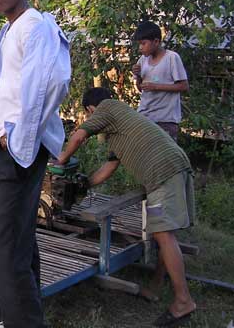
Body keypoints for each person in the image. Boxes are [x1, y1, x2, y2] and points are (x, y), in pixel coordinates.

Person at [55, 87, 196, 327]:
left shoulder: (108, 108)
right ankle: (155, 288)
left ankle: (183, 301)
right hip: (172, 168)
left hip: (162, 174)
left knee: (163, 234)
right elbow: (108, 169)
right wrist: (84, 184)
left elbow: (79, 136)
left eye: (89, 115)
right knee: (164, 234)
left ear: (91, 109)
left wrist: (59, 161)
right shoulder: (122, 124)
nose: (90, 120)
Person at [0, 0, 71, 328]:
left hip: (19, 150)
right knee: (20, 241)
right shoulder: (11, 27)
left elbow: (50, 85)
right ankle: (24, 319)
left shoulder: (36, 27)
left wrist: (17, 139)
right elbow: (10, 88)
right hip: (15, 145)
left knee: (3, 250)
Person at [132, 21, 189, 142]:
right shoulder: (143, 60)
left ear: (156, 42)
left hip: (165, 119)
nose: (140, 48)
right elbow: (140, 88)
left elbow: (184, 86)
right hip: (145, 117)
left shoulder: (171, 58)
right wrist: (137, 76)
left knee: (164, 158)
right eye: (139, 44)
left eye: (143, 43)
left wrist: (156, 87)